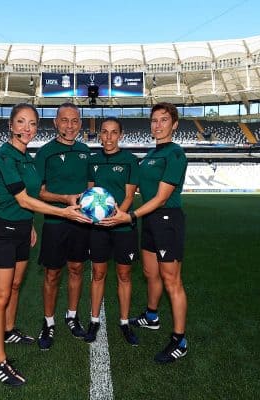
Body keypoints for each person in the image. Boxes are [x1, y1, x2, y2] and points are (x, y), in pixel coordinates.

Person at [0, 103, 91, 387]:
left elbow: (32, 196)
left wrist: (29, 224)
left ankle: (9, 330)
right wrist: (64, 211)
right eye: (21, 122)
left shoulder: (28, 157)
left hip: (20, 230)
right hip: (3, 232)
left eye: (32, 124)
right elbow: (21, 199)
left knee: (16, 286)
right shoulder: (5, 155)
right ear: (11, 125)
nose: (27, 129)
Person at [99, 102, 188, 363]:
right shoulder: (150, 156)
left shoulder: (175, 154)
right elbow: (137, 189)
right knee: (151, 273)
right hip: (149, 221)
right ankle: (152, 316)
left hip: (167, 220)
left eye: (163, 120)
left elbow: (161, 197)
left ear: (174, 124)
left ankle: (179, 340)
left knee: (172, 281)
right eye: (154, 120)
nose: (157, 125)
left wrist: (131, 215)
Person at [34, 102, 91, 350]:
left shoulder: (86, 151)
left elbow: (90, 187)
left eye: (75, 120)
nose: (70, 125)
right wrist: (64, 200)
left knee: (77, 269)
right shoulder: (45, 153)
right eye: (64, 120)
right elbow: (38, 192)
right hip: (55, 222)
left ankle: (72, 316)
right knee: (52, 274)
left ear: (80, 124)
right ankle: (48, 322)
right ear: (55, 123)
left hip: (80, 222)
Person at [84, 117, 140, 346]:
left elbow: (128, 196)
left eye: (113, 132)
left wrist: (116, 218)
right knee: (97, 274)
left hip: (123, 226)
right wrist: (97, 217)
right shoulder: (92, 161)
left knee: (124, 275)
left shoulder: (130, 161)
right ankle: (94, 320)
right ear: (100, 135)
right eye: (104, 132)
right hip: (98, 228)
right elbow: (89, 194)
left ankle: (125, 322)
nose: (108, 137)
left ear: (121, 135)